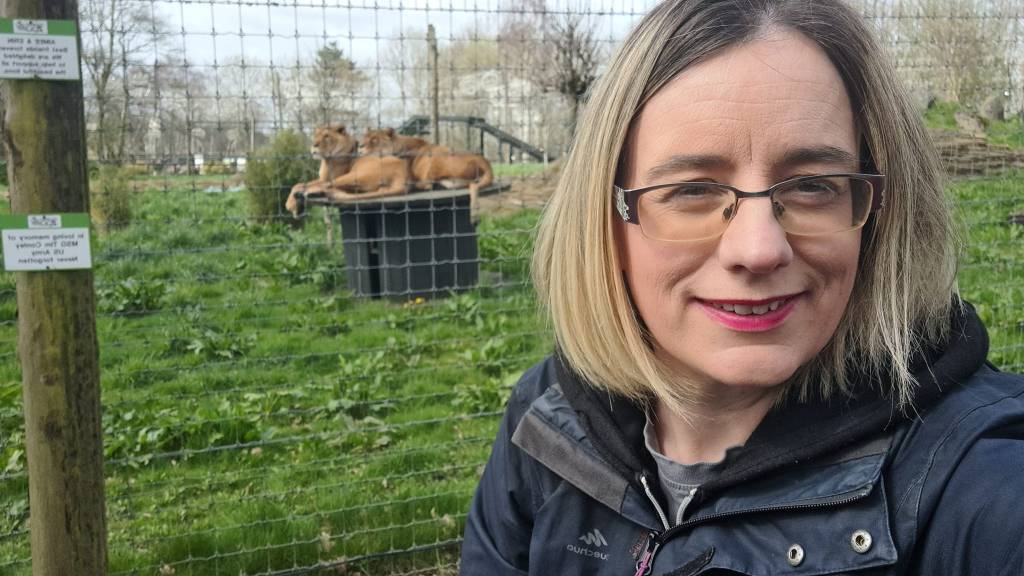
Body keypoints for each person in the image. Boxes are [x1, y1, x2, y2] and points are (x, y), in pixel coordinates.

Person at [460, 0, 1024, 574]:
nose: (759, 250)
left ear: (877, 216)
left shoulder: (977, 480)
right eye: (691, 191)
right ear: (607, 223)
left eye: (813, 186)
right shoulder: (550, 418)